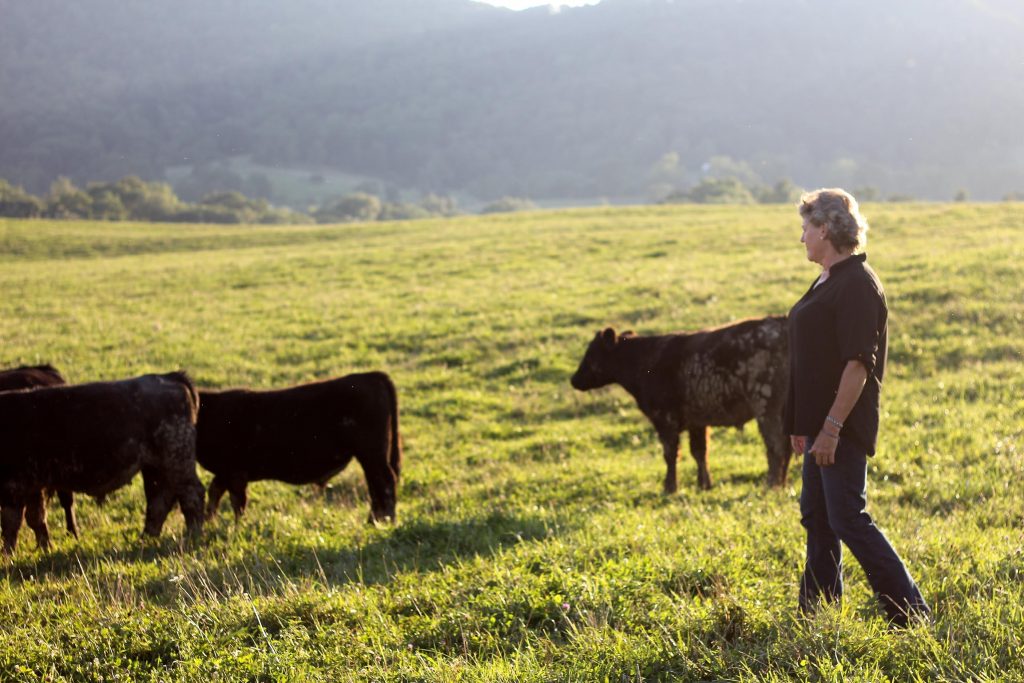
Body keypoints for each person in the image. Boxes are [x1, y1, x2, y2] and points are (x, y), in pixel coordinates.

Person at [784, 188, 930, 627]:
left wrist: (830, 429)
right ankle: (820, 612)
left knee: (848, 517)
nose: (802, 237)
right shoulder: (828, 277)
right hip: (817, 425)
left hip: (840, 425)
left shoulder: (857, 284)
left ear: (825, 229)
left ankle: (911, 614)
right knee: (818, 516)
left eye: (806, 228)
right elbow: (813, 355)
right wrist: (801, 423)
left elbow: (857, 365)